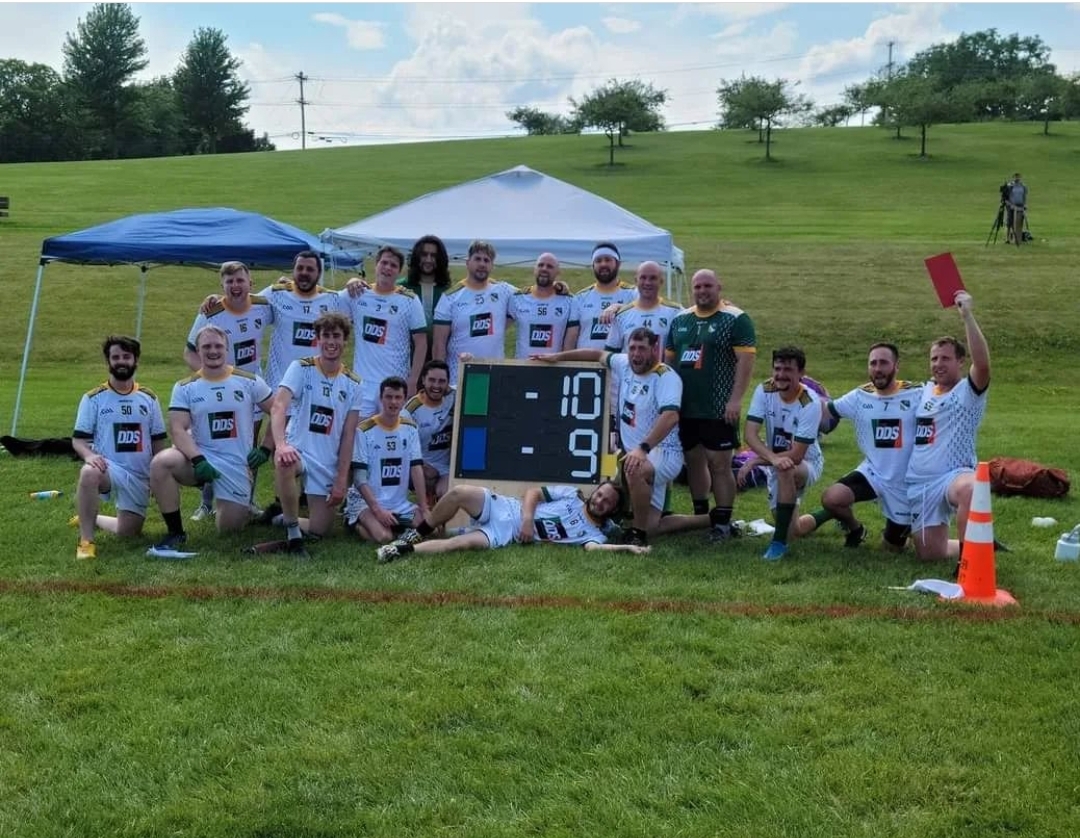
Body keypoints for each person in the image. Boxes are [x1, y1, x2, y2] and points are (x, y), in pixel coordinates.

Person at [534, 328, 708, 546]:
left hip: (664, 453)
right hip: (640, 454)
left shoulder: (666, 377)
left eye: (642, 348)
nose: (636, 354)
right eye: (632, 348)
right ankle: (713, 519)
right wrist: (558, 357)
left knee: (632, 468)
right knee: (654, 526)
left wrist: (642, 449)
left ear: (655, 348)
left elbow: (670, 416)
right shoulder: (624, 363)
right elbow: (596, 354)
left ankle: (637, 533)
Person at [148, 326, 275, 558]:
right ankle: (175, 532)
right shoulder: (185, 386)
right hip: (201, 458)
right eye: (206, 346)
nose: (213, 351)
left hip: (235, 464)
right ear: (198, 351)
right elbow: (177, 429)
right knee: (161, 462)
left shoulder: (248, 381)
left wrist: (266, 448)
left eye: (218, 346)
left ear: (226, 349)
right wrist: (197, 459)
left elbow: (279, 411)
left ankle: (234, 502)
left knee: (229, 529)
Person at [796, 343, 920, 551]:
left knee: (891, 549)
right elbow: (826, 412)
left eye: (883, 363)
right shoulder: (861, 396)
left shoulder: (917, 394)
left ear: (896, 366)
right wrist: (799, 393)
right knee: (832, 498)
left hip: (904, 483)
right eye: (873, 363)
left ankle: (911, 532)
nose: (878, 368)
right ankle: (856, 529)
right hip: (873, 473)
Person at [664, 268, 756, 543]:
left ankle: (723, 522)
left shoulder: (736, 319)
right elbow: (668, 364)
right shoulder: (681, 320)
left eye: (708, 286)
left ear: (719, 287)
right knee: (693, 462)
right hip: (686, 407)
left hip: (718, 408)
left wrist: (736, 399)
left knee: (719, 464)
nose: (703, 291)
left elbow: (746, 362)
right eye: (698, 287)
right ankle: (702, 515)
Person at [265, 312, 364, 557]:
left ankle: (279, 518)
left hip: (326, 461)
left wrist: (342, 479)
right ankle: (293, 535)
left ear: (345, 341)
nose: (331, 342)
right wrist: (281, 445)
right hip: (298, 449)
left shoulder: (354, 383)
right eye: (326, 336)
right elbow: (278, 406)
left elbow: (349, 434)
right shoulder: (300, 367)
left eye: (337, 336)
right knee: (285, 462)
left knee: (321, 529)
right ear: (317, 339)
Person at [184, 260, 274, 521]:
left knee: (249, 445)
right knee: (215, 443)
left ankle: (248, 499)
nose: (235, 286)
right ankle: (206, 503)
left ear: (250, 283)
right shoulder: (210, 312)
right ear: (222, 286)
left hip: (251, 390)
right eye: (229, 282)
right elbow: (189, 353)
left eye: (240, 280)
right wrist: (211, 379)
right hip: (219, 392)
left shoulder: (263, 305)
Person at [905, 290, 990, 563]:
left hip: (954, 474)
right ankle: (979, 541)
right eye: (934, 359)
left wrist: (967, 316)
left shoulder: (968, 391)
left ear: (960, 362)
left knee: (971, 489)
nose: (938, 364)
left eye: (945, 358)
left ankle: (970, 563)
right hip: (921, 483)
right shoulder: (925, 390)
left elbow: (984, 365)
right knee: (930, 554)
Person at [374, 480, 648, 563]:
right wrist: (528, 518)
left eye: (607, 502)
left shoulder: (596, 534)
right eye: (600, 494)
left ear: (611, 510)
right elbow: (533, 493)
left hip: (505, 533)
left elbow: (593, 549)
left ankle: (401, 550)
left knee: (459, 543)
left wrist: (628, 548)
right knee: (459, 492)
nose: (600, 501)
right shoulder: (572, 496)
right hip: (505, 507)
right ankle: (414, 534)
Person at [71, 335, 168, 560]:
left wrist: (157, 475)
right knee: (88, 472)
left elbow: (158, 442)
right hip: (109, 467)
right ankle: (86, 542)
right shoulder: (93, 398)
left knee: (129, 532)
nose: (121, 361)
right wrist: (88, 455)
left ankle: (88, 517)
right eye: (116, 357)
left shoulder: (149, 398)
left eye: (126, 356)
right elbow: (78, 441)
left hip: (139, 476)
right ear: (109, 362)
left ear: (136, 361)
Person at [740, 346, 825, 561]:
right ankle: (830, 512)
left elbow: (796, 455)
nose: (781, 375)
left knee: (786, 468)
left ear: (801, 373)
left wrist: (755, 461)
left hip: (806, 462)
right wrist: (772, 459)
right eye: (777, 368)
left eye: (788, 369)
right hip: (774, 461)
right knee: (793, 529)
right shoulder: (764, 390)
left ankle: (778, 544)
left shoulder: (810, 402)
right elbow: (750, 434)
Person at [338, 245, 428, 414]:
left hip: (394, 384)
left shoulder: (409, 300)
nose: (387, 268)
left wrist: (413, 379)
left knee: (390, 435)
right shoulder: (358, 293)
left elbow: (421, 341)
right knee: (359, 434)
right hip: (363, 384)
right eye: (384, 263)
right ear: (376, 265)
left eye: (393, 266)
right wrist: (350, 281)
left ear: (399, 272)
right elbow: (321, 299)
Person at [345, 377, 429, 543]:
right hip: (367, 503)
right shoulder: (364, 431)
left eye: (398, 398)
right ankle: (354, 521)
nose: (393, 402)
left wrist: (424, 507)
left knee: (427, 526)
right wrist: (377, 510)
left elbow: (416, 469)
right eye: (388, 397)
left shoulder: (410, 428)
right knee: (384, 537)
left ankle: (394, 522)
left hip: (398, 505)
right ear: (380, 398)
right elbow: (359, 478)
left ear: (404, 400)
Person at [432, 240, 518, 385]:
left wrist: (558, 287)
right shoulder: (450, 298)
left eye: (487, 260)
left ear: (492, 265)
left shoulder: (503, 290)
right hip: (459, 374)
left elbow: (532, 298)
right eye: (477, 259)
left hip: (494, 373)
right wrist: (440, 380)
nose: (482, 264)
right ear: (468, 262)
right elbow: (439, 345)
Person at [402, 359, 456, 504]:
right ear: (423, 380)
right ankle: (425, 498)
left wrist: (468, 359)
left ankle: (436, 501)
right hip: (421, 467)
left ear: (448, 383)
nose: (436, 386)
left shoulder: (454, 396)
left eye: (441, 381)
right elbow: (403, 449)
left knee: (446, 496)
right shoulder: (411, 410)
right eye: (432, 380)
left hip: (446, 468)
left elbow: (474, 382)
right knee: (427, 475)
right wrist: (423, 465)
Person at [603, 261, 682, 354]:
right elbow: (609, 356)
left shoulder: (676, 312)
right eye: (643, 278)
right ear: (636, 280)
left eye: (653, 278)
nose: (647, 282)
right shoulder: (621, 316)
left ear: (661, 281)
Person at [508, 252, 577, 358]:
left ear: (558, 272)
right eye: (540, 265)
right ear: (534, 269)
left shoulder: (570, 302)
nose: (544, 268)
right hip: (523, 369)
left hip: (554, 369)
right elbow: (498, 326)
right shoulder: (518, 298)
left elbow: (570, 343)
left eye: (550, 266)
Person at [572, 242, 638, 351]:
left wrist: (619, 307)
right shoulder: (580, 297)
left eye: (608, 260)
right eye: (598, 261)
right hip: (585, 364)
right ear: (593, 266)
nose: (603, 264)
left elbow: (644, 311)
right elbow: (572, 335)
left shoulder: (633, 293)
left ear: (618, 264)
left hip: (618, 363)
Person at [1006, 172, 1027, 245]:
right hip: (1011, 205)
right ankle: (1007, 238)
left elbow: (1024, 196)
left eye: (1018, 177)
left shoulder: (1023, 186)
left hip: (1020, 206)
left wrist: (1024, 204)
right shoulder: (1010, 186)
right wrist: (1009, 204)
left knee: (1019, 222)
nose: (1017, 178)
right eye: (1015, 177)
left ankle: (1018, 237)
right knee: (1009, 222)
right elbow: (1007, 196)